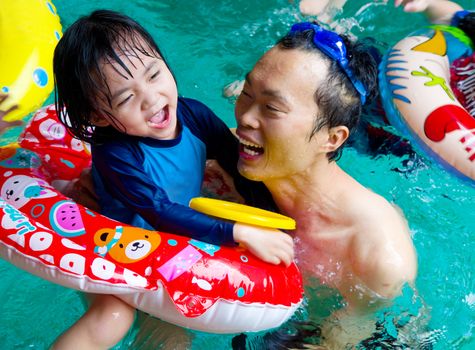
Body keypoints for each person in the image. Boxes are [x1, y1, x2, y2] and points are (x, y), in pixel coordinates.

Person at [52, 10, 294, 350]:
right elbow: (158, 210)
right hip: (121, 247)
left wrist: (266, 217)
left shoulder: (193, 115)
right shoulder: (117, 154)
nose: (151, 99)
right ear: (97, 117)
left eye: (154, 74)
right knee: (116, 320)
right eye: (125, 98)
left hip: (174, 238)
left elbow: (238, 165)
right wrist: (237, 231)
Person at [231, 21, 417, 348]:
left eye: (271, 108)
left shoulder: (375, 259)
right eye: (247, 94)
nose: (245, 118)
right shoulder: (239, 163)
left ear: (331, 138)